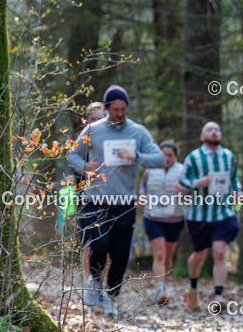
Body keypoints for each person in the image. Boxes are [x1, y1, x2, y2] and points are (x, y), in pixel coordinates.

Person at [67, 86, 165, 317]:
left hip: (124, 201)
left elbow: (159, 158)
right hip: (96, 198)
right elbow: (72, 154)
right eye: (115, 109)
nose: (120, 113)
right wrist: (86, 166)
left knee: (121, 254)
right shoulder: (93, 130)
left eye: (123, 109)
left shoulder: (138, 132)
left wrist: (137, 157)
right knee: (99, 245)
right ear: (107, 108)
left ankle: (111, 296)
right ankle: (95, 280)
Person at [177, 122, 243, 309]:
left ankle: (219, 296)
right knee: (198, 256)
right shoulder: (193, 157)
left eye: (217, 129)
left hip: (222, 213)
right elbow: (183, 181)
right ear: (202, 136)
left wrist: (239, 192)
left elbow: (234, 179)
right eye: (209, 129)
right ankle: (193, 288)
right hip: (198, 215)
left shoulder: (228, 156)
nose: (214, 132)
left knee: (220, 252)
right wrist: (199, 182)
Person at [140, 140, 186, 305]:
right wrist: (142, 196)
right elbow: (143, 187)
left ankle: (163, 284)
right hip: (153, 218)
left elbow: (190, 190)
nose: (166, 158)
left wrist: (184, 190)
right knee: (159, 254)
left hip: (175, 219)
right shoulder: (150, 169)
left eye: (170, 155)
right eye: (163, 155)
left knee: (167, 257)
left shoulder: (182, 171)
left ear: (175, 156)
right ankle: (159, 291)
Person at [76, 102, 108, 293]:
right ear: (86, 120)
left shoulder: (111, 140)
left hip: (111, 198)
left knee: (107, 242)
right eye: (93, 119)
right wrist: (87, 167)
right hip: (86, 198)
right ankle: (90, 281)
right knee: (90, 241)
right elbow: (73, 165)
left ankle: (100, 281)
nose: (96, 122)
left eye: (100, 119)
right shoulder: (81, 140)